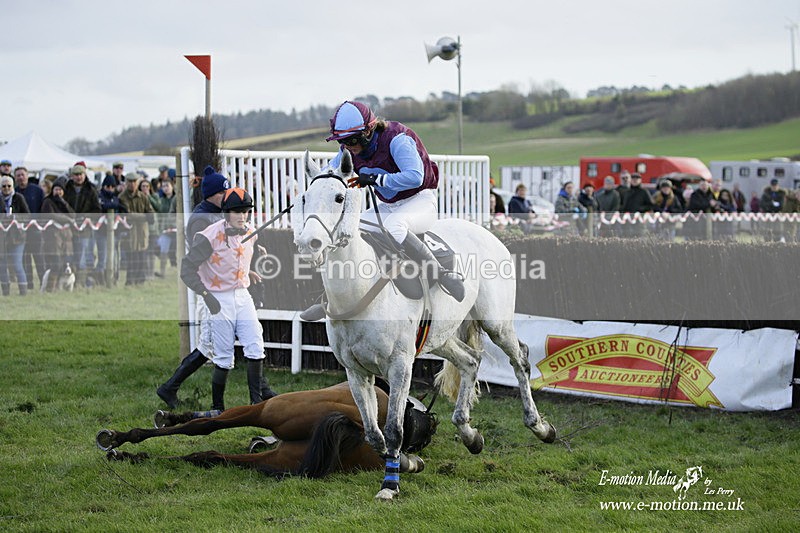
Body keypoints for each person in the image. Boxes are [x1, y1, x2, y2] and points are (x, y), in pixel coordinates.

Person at [300, 100, 464, 321]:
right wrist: (315, 190)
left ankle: (442, 275)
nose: (348, 147)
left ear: (368, 131)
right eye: (342, 142)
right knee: (348, 232)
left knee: (394, 225)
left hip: (420, 200)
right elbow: (328, 172)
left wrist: (377, 179)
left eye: (352, 140)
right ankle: (331, 298)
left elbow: (415, 176)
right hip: (389, 205)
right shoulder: (348, 150)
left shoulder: (398, 139)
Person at [179, 187, 276, 412]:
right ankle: (218, 408)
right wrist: (205, 295)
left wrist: (250, 271)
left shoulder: (252, 232)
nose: (242, 216)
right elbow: (186, 270)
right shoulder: (208, 237)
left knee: (255, 345)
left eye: (246, 211)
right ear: (226, 213)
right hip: (217, 297)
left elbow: (240, 257)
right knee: (223, 355)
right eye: (237, 212)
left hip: (242, 295)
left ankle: (256, 403)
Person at [156, 165, 231, 409]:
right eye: (223, 192)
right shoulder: (201, 219)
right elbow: (208, 252)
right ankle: (169, 387)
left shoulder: (215, 214)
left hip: (221, 285)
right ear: (212, 194)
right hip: (208, 287)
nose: (226, 196)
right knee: (208, 347)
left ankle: (260, 391)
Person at [63, 163, 102, 287]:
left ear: (84, 175)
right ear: (72, 176)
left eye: (80, 174)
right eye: (76, 175)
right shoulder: (66, 188)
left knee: (83, 256)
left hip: (85, 228)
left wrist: (86, 217)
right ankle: (70, 282)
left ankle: (81, 281)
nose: (78, 177)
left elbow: (97, 209)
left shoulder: (91, 189)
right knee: (71, 255)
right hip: (69, 228)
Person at [118, 173, 154, 285]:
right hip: (129, 232)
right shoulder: (121, 197)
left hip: (142, 232)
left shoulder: (143, 197)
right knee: (131, 258)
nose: (132, 184)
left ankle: (140, 281)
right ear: (126, 183)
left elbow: (151, 216)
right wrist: (142, 216)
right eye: (129, 182)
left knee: (142, 257)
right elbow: (126, 215)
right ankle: (130, 281)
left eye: (134, 182)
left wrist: (136, 216)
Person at [40, 176, 75, 291]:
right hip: (53, 237)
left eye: (60, 190)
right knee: (55, 264)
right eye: (56, 189)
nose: (58, 192)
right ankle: (50, 288)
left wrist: (64, 204)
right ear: (52, 190)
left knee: (65, 264)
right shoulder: (47, 202)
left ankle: (62, 288)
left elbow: (73, 215)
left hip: (66, 238)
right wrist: (67, 219)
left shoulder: (65, 203)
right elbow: (51, 215)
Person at [14, 166, 45, 290]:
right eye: (18, 175)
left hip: (35, 230)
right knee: (24, 258)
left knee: (38, 257)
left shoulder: (37, 190)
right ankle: (29, 284)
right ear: (15, 178)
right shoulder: (14, 192)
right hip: (20, 231)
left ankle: (44, 282)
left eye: (22, 175)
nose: (21, 177)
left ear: (27, 176)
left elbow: (43, 208)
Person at [0, 175, 30, 295]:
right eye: (4, 186)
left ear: (13, 186)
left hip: (17, 237)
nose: (6, 188)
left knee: (17, 264)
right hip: (2, 237)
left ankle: (23, 291)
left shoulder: (19, 198)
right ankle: (6, 291)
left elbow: (27, 215)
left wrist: (15, 218)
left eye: (9, 186)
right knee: (2, 265)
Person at [96, 174, 126, 286]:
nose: (109, 189)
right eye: (107, 186)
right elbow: (103, 206)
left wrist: (115, 205)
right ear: (103, 186)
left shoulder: (116, 197)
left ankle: (113, 280)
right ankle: (101, 281)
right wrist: (114, 205)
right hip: (101, 233)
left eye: (112, 187)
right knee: (102, 258)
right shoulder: (99, 197)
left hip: (115, 233)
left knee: (114, 258)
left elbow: (123, 208)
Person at [153, 178, 177, 278]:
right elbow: (158, 216)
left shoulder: (177, 199)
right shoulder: (161, 200)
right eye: (163, 186)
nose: (165, 188)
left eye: (167, 185)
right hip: (165, 230)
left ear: (172, 186)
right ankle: (162, 272)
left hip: (177, 230)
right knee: (163, 250)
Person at [620, 173, 653, 237]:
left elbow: (650, 206)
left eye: (637, 179)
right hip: (628, 221)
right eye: (633, 179)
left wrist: (640, 209)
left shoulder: (644, 192)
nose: (635, 180)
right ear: (630, 180)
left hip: (640, 220)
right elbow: (623, 205)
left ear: (640, 180)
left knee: (639, 238)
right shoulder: (626, 192)